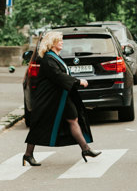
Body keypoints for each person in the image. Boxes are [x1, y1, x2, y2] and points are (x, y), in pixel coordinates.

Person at [23, 31, 101, 166]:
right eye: (60, 40)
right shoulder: (48, 59)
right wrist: (78, 81)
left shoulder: (55, 57)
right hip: (48, 99)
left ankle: (85, 149)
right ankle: (28, 155)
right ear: (52, 43)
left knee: (73, 118)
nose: (62, 42)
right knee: (39, 125)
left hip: (61, 97)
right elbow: (58, 76)